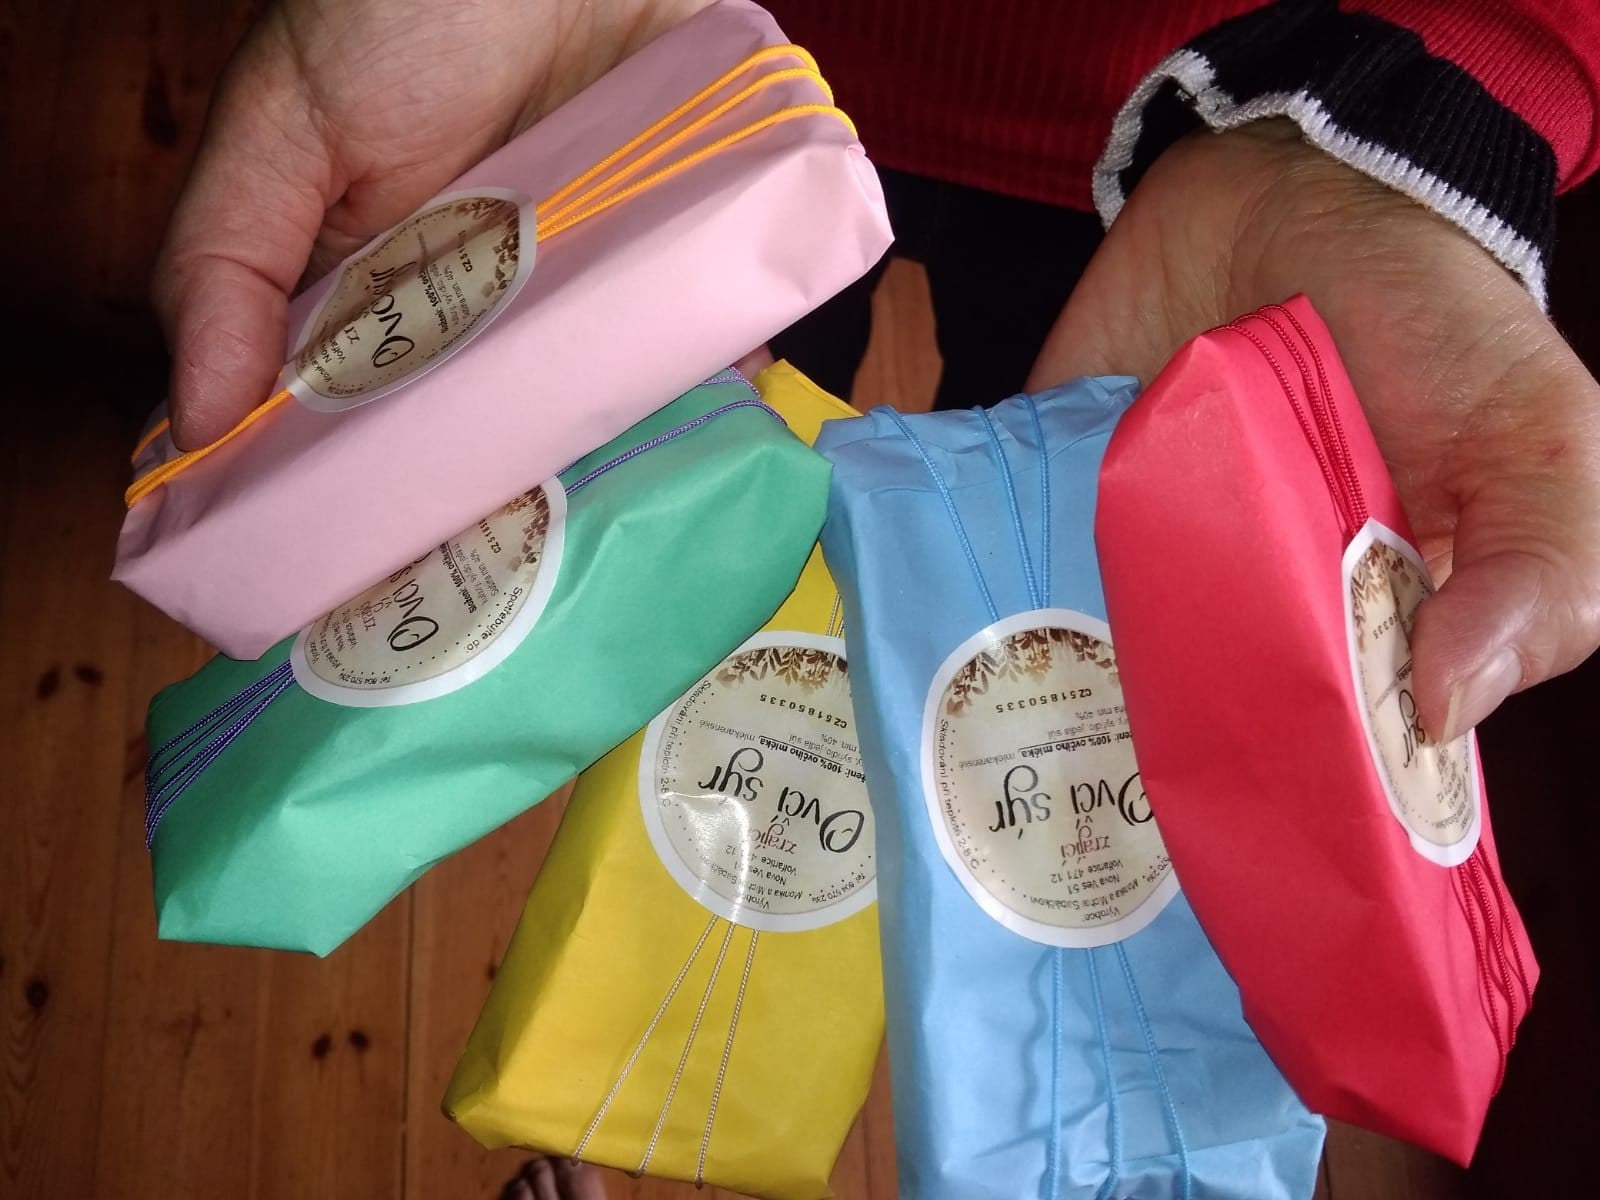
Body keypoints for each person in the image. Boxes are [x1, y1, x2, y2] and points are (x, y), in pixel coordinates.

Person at [151, 4, 1600, 1188]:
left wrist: (1441, 96)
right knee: (767, 507)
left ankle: (651, 1068)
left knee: (1027, 574)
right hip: (674, 61)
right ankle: (638, 1061)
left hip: (1202, 116)